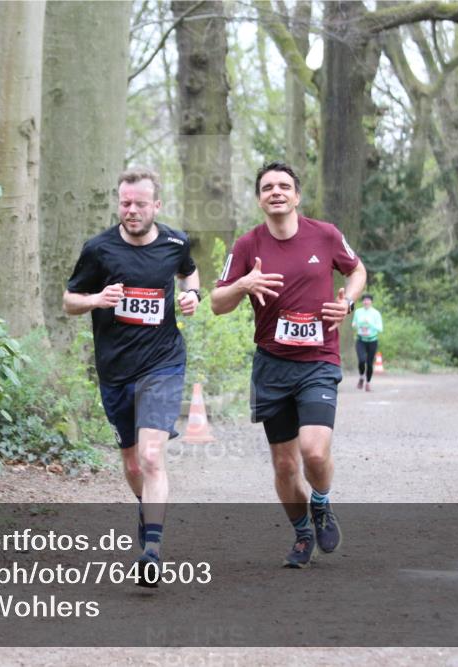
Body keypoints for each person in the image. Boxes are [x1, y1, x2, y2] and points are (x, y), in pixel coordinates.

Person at [210, 161, 366, 568]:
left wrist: (347, 302)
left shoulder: (326, 235)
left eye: (283, 186)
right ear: (260, 199)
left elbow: (357, 269)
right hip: (272, 365)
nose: (275, 192)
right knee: (284, 463)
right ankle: (301, 535)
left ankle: (322, 502)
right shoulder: (247, 246)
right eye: (267, 187)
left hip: (318, 361)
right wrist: (243, 284)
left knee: (314, 453)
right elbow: (216, 303)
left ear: (297, 196)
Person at [63, 167, 200, 586]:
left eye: (141, 203)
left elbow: (188, 271)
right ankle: (146, 509)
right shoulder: (99, 250)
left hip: (163, 363)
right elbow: (69, 301)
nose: (132, 210)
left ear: (156, 205)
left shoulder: (175, 242)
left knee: (152, 455)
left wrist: (192, 293)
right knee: (132, 462)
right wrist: (96, 299)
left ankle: (153, 550)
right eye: (125, 203)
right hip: (115, 370)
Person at [352, 294, 383, 391]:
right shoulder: (358, 312)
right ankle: (362, 377)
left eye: (368, 300)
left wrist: (370, 324)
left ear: (371, 302)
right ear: (362, 302)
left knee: (369, 363)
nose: (366, 302)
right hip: (361, 340)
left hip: (372, 341)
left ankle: (368, 383)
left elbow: (380, 329)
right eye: (364, 300)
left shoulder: (376, 313)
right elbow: (354, 324)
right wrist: (359, 324)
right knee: (361, 360)